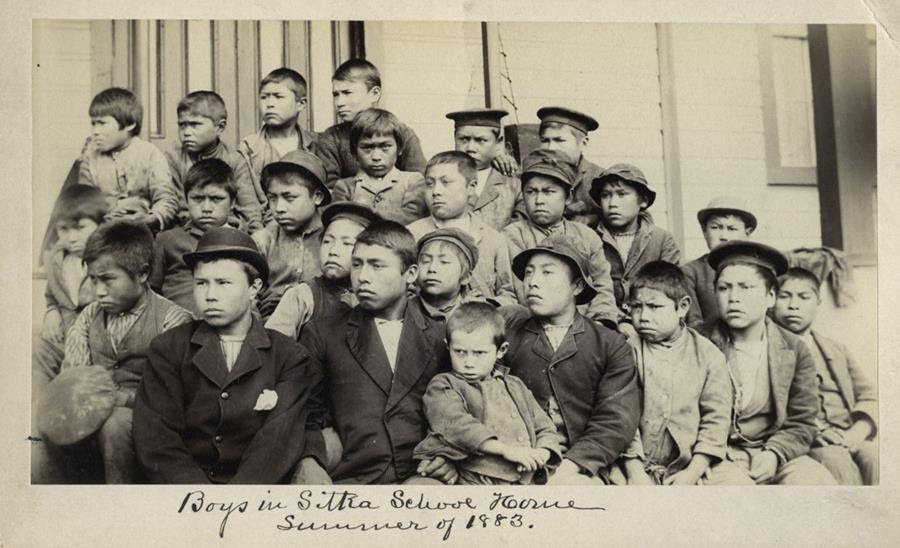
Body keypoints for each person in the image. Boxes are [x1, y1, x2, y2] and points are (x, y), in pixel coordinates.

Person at [134, 226, 321, 483]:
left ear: (254, 288)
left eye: (223, 283)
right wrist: (201, 499)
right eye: (201, 283)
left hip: (254, 494)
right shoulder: (168, 348)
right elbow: (157, 439)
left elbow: (277, 443)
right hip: (187, 493)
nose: (210, 295)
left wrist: (234, 501)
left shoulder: (288, 356)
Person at [294, 221, 457, 485]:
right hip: (351, 478)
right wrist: (309, 460)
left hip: (421, 477)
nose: (363, 276)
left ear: (411, 273)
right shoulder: (323, 333)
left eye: (377, 265)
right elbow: (305, 411)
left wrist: (449, 455)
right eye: (357, 264)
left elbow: (464, 403)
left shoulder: (443, 334)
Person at [33, 221, 193, 483]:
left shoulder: (172, 320)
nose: (98, 291)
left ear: (142, 274)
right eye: (93, 280)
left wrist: (117, 400)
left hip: (144, 425)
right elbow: (74, 378)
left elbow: (171, 398)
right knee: (40, 427)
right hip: (90, 415)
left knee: (116, 425)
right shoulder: (89, 316)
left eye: (108, 279)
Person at [501, 235, 641, 484]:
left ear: (576, 286)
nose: (532, 282)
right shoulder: (506, 330)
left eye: (547, 273)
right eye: (529, 273)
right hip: (513, 464)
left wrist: (572, 467)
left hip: (578, 469)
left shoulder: (610, 344)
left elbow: (615, 420)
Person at [701, 241, 836, 485]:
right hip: (717, 455)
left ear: (771, 296)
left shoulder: (794, 348)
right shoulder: (697, 341)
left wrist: (775, 453)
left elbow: (802, 421)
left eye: (746, 287)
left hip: (772, 449)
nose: (733, 298)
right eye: (724, 288)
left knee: (816, 484)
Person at [414, 302, 564, 484]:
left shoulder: (515, 385)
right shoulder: (444, 385)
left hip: (524, 479)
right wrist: (505, 450)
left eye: (479, 353)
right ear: (448, 346)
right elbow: (458, 425)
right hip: (474, 478)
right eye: (460, 352)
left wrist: (542, 452)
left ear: (501, 350)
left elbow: (544, 426)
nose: (469, 362)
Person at [611, 261, 731, 485]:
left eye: (654, 307)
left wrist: (694, 471)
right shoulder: (626, 351)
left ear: (683, 307)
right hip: (633, 464)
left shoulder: (708, 355)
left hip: (690, 465)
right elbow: (620, 415)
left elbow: (716, 420)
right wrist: (635, 471)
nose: (643, 316)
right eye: (636, 307)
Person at [772, 267, 877, 485]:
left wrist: (858, 432)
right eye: (785, 296)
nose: (793, 305)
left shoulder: (835, 349)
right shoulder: (769, 349)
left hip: (849, 434)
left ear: (818, 303)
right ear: (771, 299)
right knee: (838, 463)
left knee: (877, 458)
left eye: (804, 297)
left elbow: (869, 395)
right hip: (811, 439)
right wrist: (817, 431)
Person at [503, 148, 618, 328]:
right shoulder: (511, 236)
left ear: (568, 197)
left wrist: (598, 324)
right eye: (531, 191)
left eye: (549, 192)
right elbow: (515, 290)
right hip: (531, 327)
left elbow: (602, 287)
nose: (539, 200)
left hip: (586, 325)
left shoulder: (586, 236)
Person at [407, 151, 517, 306]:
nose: (436, 192)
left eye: (446, 182)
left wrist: (484, 304)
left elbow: (508, 295)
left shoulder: (493, 239)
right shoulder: (412, 235)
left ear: (471, 187)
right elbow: (403, 292)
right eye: (430, 184)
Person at [265, 201, 381, 340]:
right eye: (327, 241)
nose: (333, 251)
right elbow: (272, 351)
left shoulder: (379, 297)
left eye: (347, 243)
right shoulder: (302, 295)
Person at [34, 185, 107, 396]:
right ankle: (37, 413)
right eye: (63, 229)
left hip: (96, 341)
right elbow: (52, 293)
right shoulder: (58, 259)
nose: (71, 238)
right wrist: (51, 311)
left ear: (100, 224)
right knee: (35, 351)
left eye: (80, 227)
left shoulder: (108, 259)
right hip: (64, 335)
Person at [78, 87, 180, 232]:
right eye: (93, 124)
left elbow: (166, 199)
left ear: (129, 124)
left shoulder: (150, 154)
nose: (95, 131)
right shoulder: (91, 158)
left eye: (102, 123)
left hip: (144, 231)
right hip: (103, 230)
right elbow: (84, 200)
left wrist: (151, 219)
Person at [150, 158, 244, 315]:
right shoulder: (167, 240)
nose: (206, 208)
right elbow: (151, 291)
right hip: (176, 325)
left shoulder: (242, 241)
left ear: (233, 202)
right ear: (186, 200)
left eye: (216, 199)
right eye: (198, 199)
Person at [165, 90, 263, 232]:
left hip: (227, 230)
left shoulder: (235, 160)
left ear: (220, 127)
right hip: (187, 231)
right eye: (182, 125)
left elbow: (249, 208)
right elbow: (178, 206)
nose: (186, 132)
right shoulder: (173, 158)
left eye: (195, 124)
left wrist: (257, 233)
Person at [316, 59, 427, 183]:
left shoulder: (403, 133)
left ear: (374, 93)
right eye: (336, 95)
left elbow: (419, 181)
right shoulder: (331, 138)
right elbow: (329, 187)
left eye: (347, 93)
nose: (339, 103)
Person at [590, 163, 681, 313]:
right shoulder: (590, 238)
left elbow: (669, 293)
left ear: (643, 200)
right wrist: (619, 321)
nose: (613, 203)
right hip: (605, 322)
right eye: (606, 195)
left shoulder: (662, 240)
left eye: (622, 194)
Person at [252, 150, 331, 318]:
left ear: (317, 197)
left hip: (321, 322)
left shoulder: (333, 238)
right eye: (272, 198)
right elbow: (248, 295)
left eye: (290, 198)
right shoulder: (264, 240)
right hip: (271, 324)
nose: (279, 208)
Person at [237, 68, 318, 218]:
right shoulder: (248, 148)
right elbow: (246, 201)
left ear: (301, 104)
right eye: (264, 97)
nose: (269, 104)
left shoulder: (316, 144)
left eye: (278, 97)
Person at [331, 108, 428, 224]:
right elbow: (341, 222)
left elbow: (413, 216)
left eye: (385, 147)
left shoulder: (413, 181)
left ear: (400, 148)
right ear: (354, 152)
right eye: (367, 148)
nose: (376, 157)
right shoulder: (345, 187)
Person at [682, 196, 757, 327]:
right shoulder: (691, 272)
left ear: (747, 233)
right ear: (704, 231)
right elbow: (693, 325)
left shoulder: (759, 270)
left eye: (732, 229)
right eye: (716, 227)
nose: (724, 237)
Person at [446, 108, 524, 231]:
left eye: (481, 140)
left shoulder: (514, 185)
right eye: (463, 139)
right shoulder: (440, 179)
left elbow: (520, 229)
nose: (471, 148)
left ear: (498, 143)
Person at [536, 106, 604, 226]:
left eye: (559, 140)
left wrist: (594, 219)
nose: (551, 148)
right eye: (545, 140)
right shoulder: (530, 177)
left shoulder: (600, 178)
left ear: (583, 144)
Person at [413, 227, 480, 321]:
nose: (432, 268)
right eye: (425, 261)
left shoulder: (477, 315)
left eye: (444, 262)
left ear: (466, 277)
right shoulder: (404, 310)